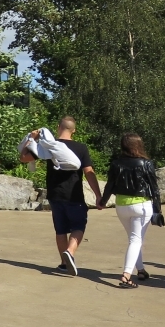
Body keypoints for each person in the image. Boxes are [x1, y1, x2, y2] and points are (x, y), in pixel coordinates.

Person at [20, 117, 102, 275]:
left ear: (58, 127)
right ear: (74, 130)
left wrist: (31, 138)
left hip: (55, 194)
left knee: (60, 229)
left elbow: (24, 158)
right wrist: (98, 195)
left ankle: (64, 264)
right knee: (78, 226)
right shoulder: (81, 148)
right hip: (74, 194)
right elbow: (89, 172)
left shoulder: (49, 146)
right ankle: (70, 252)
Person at [101, 134, 161, 289]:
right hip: (141, 206)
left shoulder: (116, 163)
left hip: (121, 205)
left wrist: (102, 202)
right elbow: (154, 189)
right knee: (136, 240)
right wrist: (158, 210)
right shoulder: (146, 163)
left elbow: (109, 185)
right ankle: (126, 276)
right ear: (139, 145)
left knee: (134, 239)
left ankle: (140, 270)